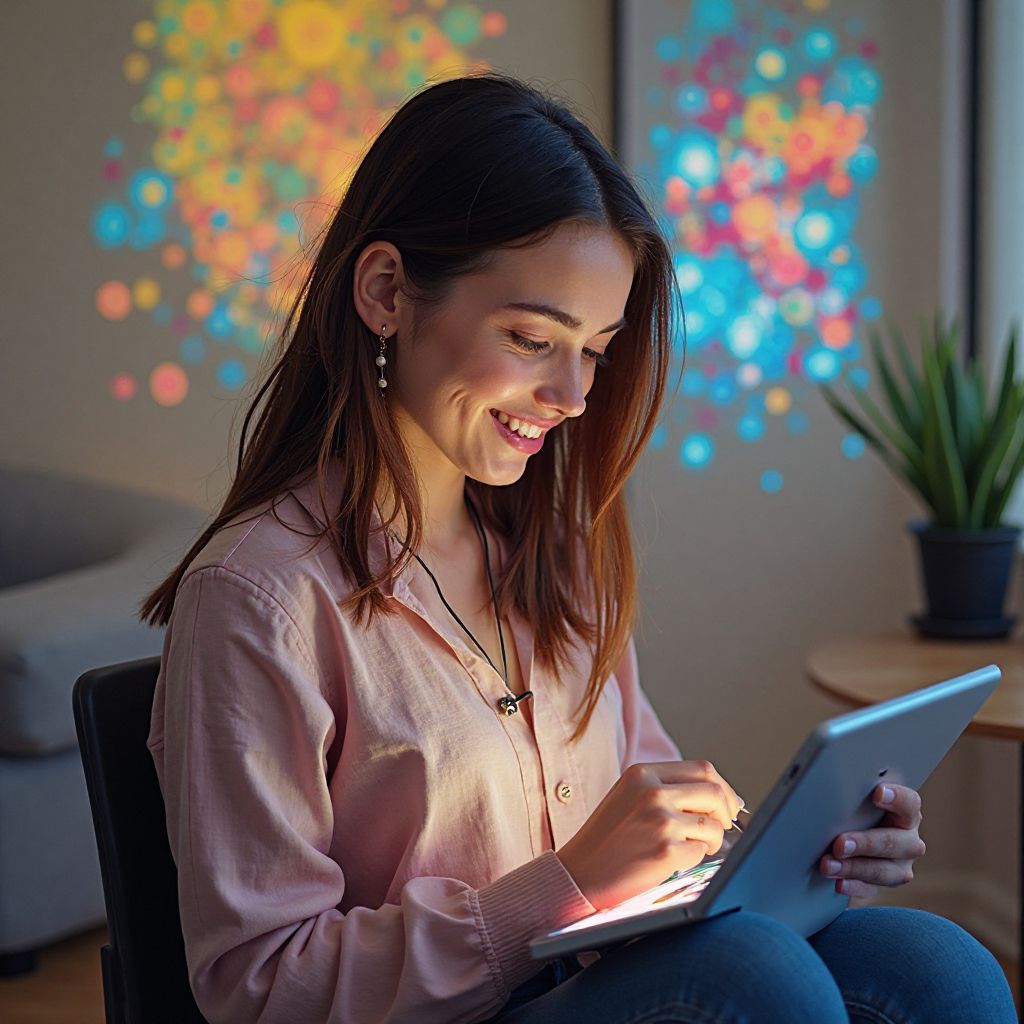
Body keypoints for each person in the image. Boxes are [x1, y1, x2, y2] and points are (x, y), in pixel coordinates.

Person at [140, 72, 1016, 1023]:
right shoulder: (259, 596)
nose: (575, 396)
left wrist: (800, 854)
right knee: (754, 984)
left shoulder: (549, 555)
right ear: (387, 291)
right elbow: (257, 982)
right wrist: (559, 888)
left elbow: (660, 826)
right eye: (531, 338)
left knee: (940, 966)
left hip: (596, 983)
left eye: (595, 348)